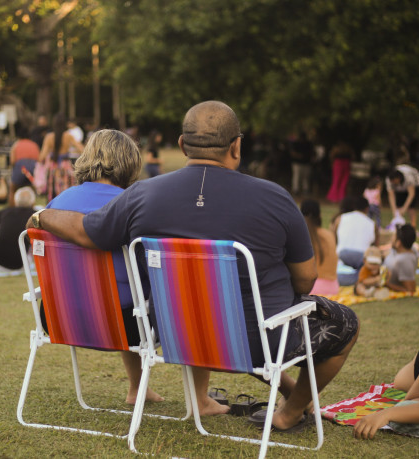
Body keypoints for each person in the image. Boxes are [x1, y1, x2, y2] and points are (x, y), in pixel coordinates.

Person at [28, 101, 359, 430]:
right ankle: (290, 412)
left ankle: (289, 399)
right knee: (345, 325)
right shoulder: (276, 198)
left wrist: (41, 214)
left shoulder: (141, 196)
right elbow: (305, 281)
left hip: (182, 332)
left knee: (215, 310)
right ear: (237, 146)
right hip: (256, 341)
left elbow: (86, 231)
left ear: (182, 145)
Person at [40, 128, 164, 405]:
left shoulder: (57, 203)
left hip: (58, 317)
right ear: (129, 161)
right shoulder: (134, 207)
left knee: (124, 294)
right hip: (122, 325)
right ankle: (190, 395)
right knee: (134, 296)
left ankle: (137, 389)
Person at [0, 186, 37, 272]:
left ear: (16, 201)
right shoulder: (35, 216)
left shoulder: (7, 212)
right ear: (33, 202)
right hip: (19, 265)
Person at [39, 114, 84, 200]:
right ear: (65, 124)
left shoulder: (49, 137)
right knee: (66, 192)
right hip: (65, 166)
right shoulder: (69, 136)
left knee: (52, 193)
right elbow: (82, 150)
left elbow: (42, 156)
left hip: (53, 166)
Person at [301, 199, 339, 296]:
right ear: (320, 215)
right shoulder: (329, 235)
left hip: (311, 289)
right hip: (333, 288)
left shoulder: (301, 236)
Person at [335, 196, 377, 269]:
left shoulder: (340, 219)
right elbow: (375, 249)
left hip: (339, 264)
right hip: (363, 267)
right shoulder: (372, 225)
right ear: (367, 209)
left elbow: (333, 240)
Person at [8, 127, 40, 207]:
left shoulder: (16, 145)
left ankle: (11, 207)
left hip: (21, 167)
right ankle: (32, 207)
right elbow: (38, 160)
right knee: (32, 189)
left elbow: (12, 161)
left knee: (12, 189)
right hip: (32, 168)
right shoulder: (34, 145)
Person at [383, 224, 417, 293]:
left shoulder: (404, 261)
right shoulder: (401, 251)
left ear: (398, 243)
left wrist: (386, 284)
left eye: (393, 236)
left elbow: (410, 289)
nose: (391, 238)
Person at [290, 131, 314, 196]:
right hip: (297, 163)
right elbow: (292, 153)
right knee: (297, 177)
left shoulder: (308, 143)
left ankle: (305, 190)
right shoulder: (296, 143)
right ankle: (296, 190)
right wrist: (299, 155)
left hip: (306, 163)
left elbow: (312, 153)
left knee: (306, 177)